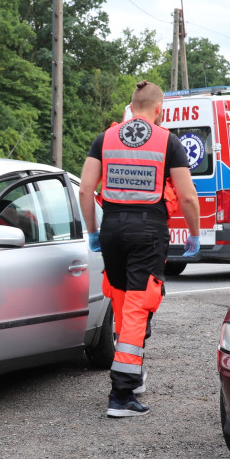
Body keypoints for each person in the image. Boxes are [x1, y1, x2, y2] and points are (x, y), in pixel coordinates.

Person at [79, 80, 201, 418]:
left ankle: (134, 370)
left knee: (121, 301)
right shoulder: (168, 141)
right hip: (147, 230)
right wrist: (194, 234)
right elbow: (187, 195)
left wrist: (93, 232)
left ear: (131, 107)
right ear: (159, 109)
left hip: (112, 228)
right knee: (138, 304)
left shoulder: (105, 138)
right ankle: (122, 393)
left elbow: (86, 189)